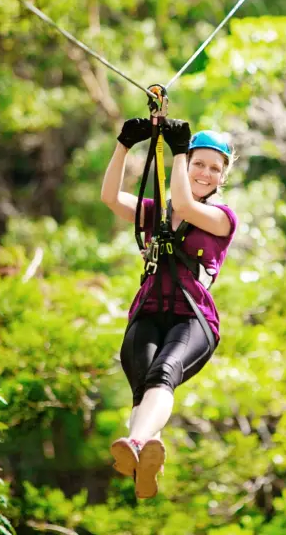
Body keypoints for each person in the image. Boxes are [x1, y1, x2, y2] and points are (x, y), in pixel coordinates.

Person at [99, 117, 239, 499]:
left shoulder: (221, 219)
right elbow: (111, 197)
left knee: (164, 371)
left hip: (192, 318)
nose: (205, 173)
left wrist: (178, 152)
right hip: (146, 313)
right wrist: (124, 144)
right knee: (144, 388)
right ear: (188, 163)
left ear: (222, 178)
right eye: (199, 163)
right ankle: (146, 456)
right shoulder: (156, 212)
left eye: (215, 168)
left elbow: (186, 205)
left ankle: (137, 442)